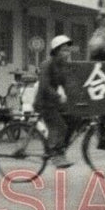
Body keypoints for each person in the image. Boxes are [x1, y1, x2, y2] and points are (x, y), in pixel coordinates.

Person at [35, 35, 75, 167]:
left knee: (74, 118)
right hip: (44, 102)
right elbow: (45, 86)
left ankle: (60, 148)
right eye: (64, 50)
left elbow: (66, 85)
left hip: (54, 102)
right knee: (59, 126)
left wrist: (74, 97)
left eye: (68, 50)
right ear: (56, 51)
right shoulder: (47, 65)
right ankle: (55, 153)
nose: (66, 53)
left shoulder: (62, 66)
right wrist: (59, 97)